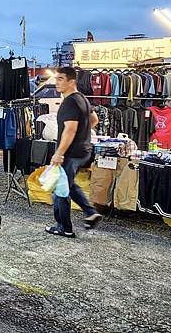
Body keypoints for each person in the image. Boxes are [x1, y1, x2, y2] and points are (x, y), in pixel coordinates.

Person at [47, 67, 103, 238]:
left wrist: (59, 153)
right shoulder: (83, 99)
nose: (57, 82)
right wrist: (82, 134)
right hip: (83, 150)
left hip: (71, 153)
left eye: (61, 78)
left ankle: (64, 227)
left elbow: (70, 129)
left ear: (71, 81)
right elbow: (94, 120)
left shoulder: (70, 101)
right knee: (67, 185)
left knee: (60, 190)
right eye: (56, 78)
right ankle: (90, 212)